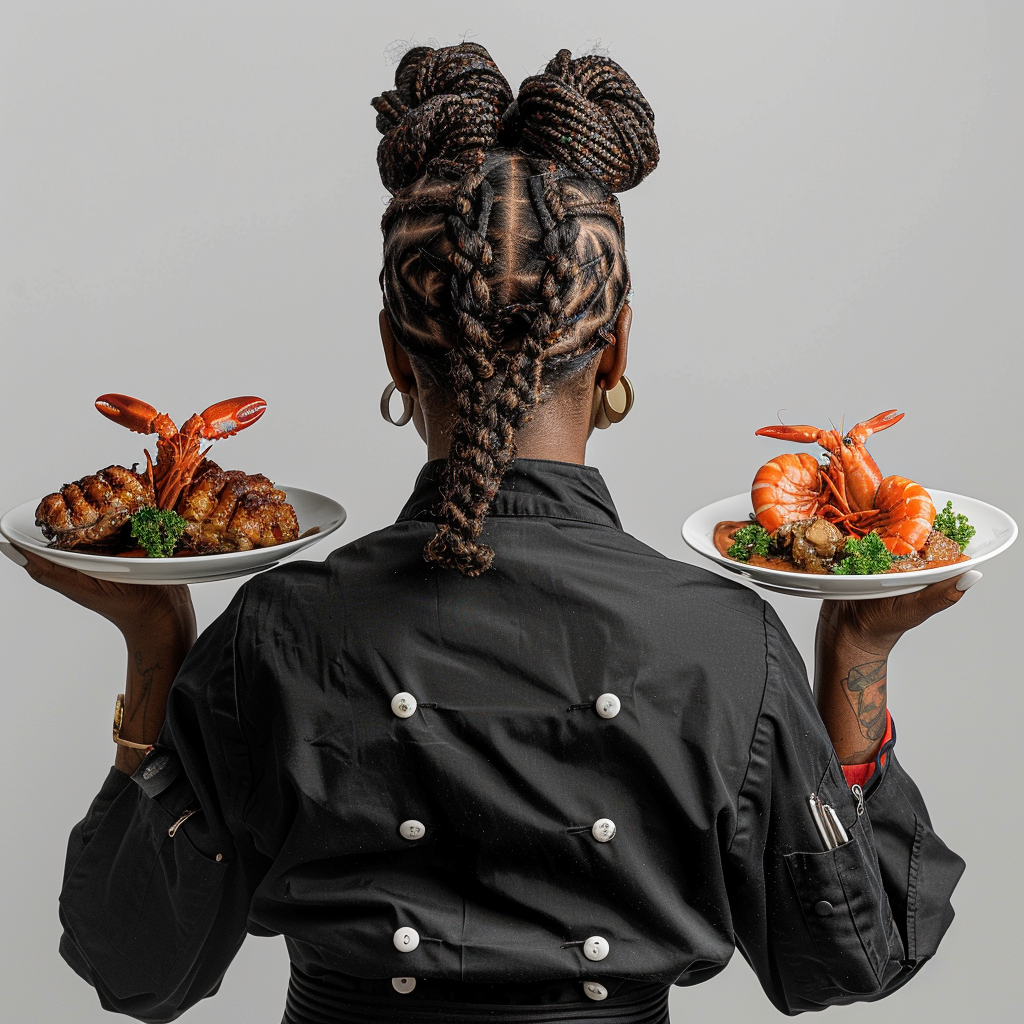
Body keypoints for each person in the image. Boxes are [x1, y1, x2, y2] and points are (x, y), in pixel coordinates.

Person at [4, 42, 970, 1024]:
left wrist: (157, 639)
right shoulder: (725, 644)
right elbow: (852, 952)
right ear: (618, 345)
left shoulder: (272, 635)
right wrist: (858, 647)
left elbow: (132, 960)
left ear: (392, 347)